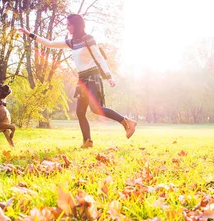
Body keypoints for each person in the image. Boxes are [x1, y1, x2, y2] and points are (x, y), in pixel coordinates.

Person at [18, 14, 137, 148]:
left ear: (76, 25)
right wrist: (30, 34)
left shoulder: (88, 39)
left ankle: (126, 122)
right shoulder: (72, 42)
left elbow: (99, 58)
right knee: (80, 112)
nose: (67, 27)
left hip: (93, 76)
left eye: (69, 24)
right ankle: (87, 141)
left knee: (96, 108)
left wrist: (109, 76)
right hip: (82, 79)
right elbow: (50, 44)